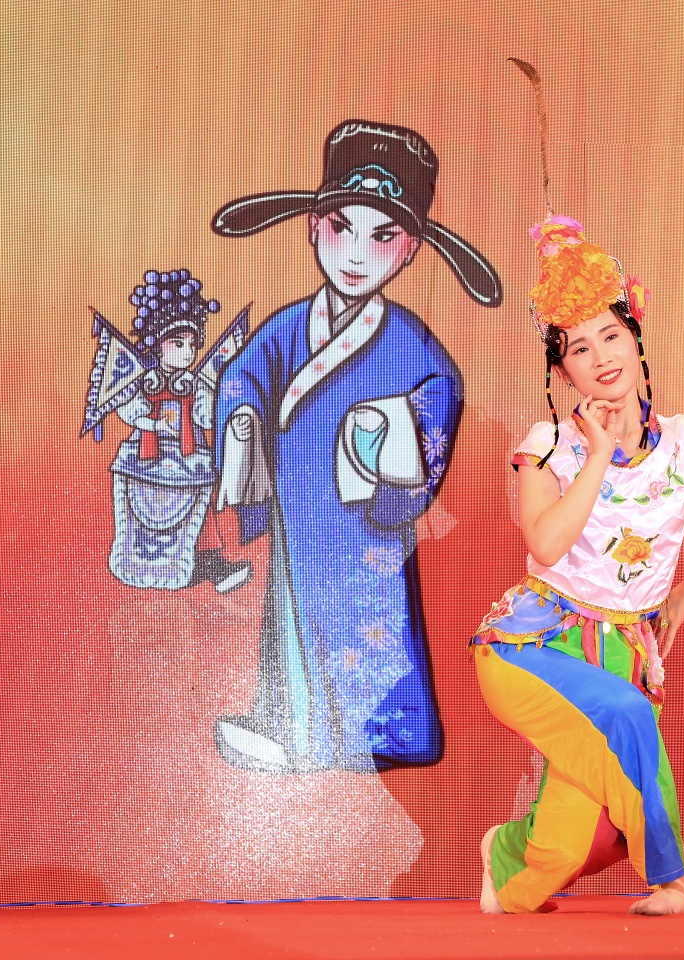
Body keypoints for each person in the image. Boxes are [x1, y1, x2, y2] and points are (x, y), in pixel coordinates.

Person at [472, 216, 684, 915]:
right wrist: (596, 454)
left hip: (621, 650)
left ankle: (509, 858)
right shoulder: (549, 443)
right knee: (626, 715)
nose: (601, 357)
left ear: (635, 339)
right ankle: (671, 881)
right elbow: (546, 546)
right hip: (532, 646)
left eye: (611, 335)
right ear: (562, 370)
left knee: (581, 839)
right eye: (579, 348)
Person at [209, 120, 503, 774]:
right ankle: (295, 729)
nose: (356, 254)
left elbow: (440, 393)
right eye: (342, 227)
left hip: (363, 523)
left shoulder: (411, 345)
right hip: (300, 510)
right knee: (293, 619)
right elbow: (243, 379)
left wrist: (391, 429)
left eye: (382, 237)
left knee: (370, 622)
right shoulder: (291, 326)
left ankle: (374, 737)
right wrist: (244, 422)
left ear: (411, 251)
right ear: (313, 227)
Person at [101, 270, 252, 594]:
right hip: (147, 458)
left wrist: (227, 413)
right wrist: (152, 424)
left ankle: (210, 564)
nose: (188, 353)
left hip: (189, 458)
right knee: (141, 511)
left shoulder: (196, 384)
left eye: (192, 345)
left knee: (202, 513)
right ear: (158, 345)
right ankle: (144, 566)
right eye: (178, 344)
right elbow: (129, 409)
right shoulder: (144, 381)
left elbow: (206, 416)